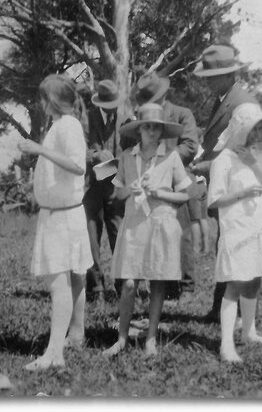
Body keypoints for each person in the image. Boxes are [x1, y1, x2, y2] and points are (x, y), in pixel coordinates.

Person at [102, 103, 191, 357]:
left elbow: (184, 194)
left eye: (156, 128)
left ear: (162, 131)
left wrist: (160, 193)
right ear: (139, 129)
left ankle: (150, 337)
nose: (152, 132)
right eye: (147, 127)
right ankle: (121, 338)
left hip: (160, 222)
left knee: (157, 279)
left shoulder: (171, 156)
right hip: (134, 223)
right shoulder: (127, 157)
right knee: (129, 282)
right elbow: (117, 193)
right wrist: (129, 189)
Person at [18, 74, 92, 370]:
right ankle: (76, 334)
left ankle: (54, 353)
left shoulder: (68, 126)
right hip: (63, 214)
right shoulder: (62, 125)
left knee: (59, 283)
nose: (40, 104)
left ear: (53, 101)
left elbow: (78, 166)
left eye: (43, 99)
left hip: (62, 217)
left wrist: (40, 150)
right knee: (74, 277)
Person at [208, 102, 262, 362]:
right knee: (236, 282)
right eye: (254, 128)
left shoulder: (257, 155)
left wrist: (254, 163)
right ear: (240, 128)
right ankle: (226, 344)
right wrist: (240, 193)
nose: (258, 134)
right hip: (237, 230)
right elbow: (214, 199)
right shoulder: (223, 160)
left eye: (261, 128)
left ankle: (249, 331)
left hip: (259, 228)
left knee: (254, 278)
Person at [189, 45, 258, 323]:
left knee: (235, 246)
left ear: (230, 75)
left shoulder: (244, 104)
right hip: (225, 182)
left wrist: (207, 166)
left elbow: (248, 152)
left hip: (237, 185)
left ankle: (237, 313)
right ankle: (221, 309)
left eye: (212, 76)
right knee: (225, 245)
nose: (207, 81)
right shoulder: (225, 98)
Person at [125, 71, 199, 295]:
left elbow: (191, 145)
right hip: (145, 182)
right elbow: (128, 146)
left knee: (182, 231)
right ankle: (158, 282)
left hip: (176, 180)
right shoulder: (141, 118)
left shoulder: (181, 114)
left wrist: (165, 159)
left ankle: (185, 284)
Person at [82, 79, 126, 299]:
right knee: (91, 237)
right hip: (91, 187)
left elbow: (130, 149)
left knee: (119, 234)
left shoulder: (124, 119)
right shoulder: (86, 119)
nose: (113, 109)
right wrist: (95, 155)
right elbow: (79, 149)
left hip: (115, 185)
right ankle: (96, 286)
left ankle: (122, 284)